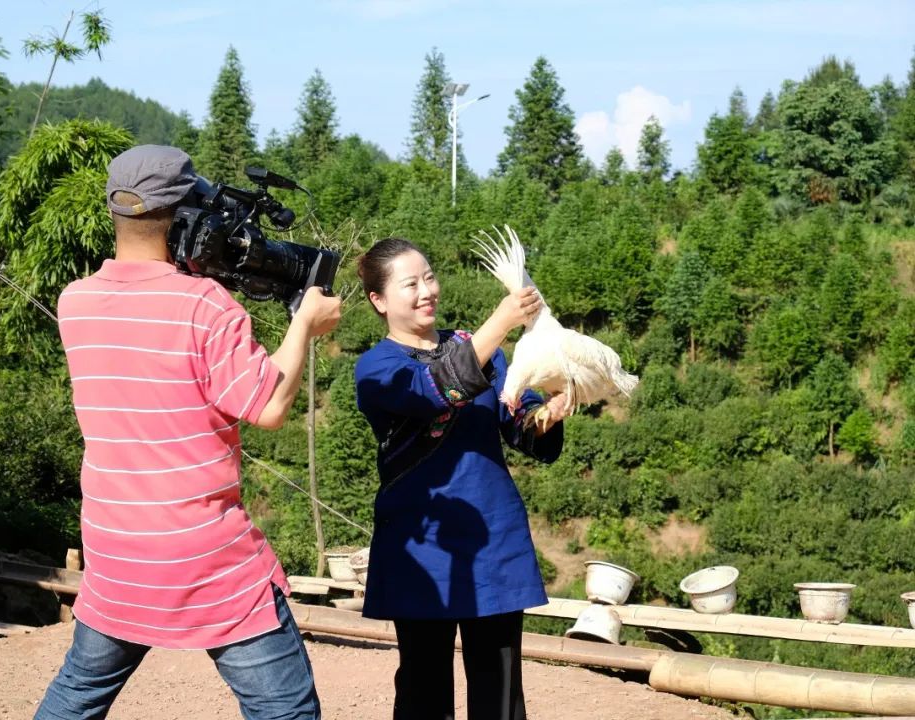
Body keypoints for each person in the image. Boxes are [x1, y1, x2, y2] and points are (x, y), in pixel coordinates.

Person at [35, 145, 341, 720]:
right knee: (285, 712)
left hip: (116, 547)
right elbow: (269, 405)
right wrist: (304, 324)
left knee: (76, 697)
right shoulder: (206, 305)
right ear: (184, 213)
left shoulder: (74, 302)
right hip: (205, 555)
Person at [353, 237, 571, 720]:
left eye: (429, 276)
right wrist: (501, 320)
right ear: (379, 300)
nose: (426, 289)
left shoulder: (480, 349)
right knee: (424, 691)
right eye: (410, 283)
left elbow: (516, 415)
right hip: (421, 547)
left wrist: (544, 417)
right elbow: (436, 390)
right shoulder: (378, 368)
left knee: (499, 695)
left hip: (492, 539)